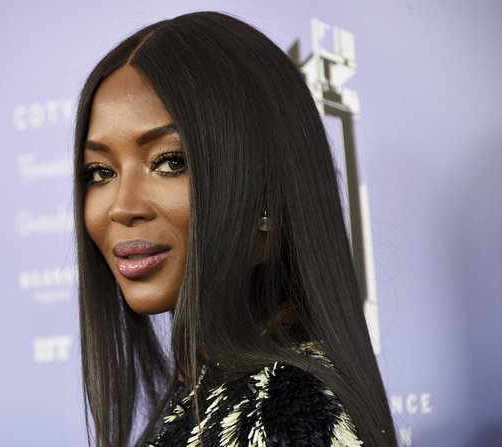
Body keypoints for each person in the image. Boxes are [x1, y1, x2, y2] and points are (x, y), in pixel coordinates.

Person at [73, 11, 396, 447]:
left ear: (265, 192)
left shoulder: (283, 413)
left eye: (170, 162)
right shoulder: (210, 397)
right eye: (100, 172)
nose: (122, 207)